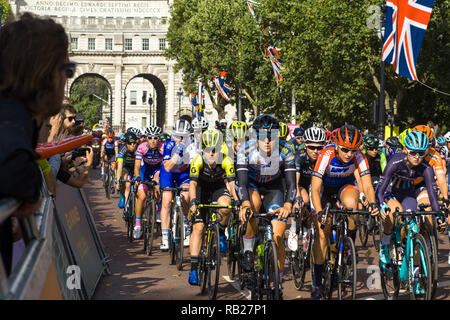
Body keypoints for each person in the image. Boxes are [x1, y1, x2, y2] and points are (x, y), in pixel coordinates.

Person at [0, 13, 71, 275]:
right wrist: (27, 189)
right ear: (46, 75)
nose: (66, 81)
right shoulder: (11, 124)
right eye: (66, 71)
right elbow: (12, 169)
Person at [309, 124, 379, 300]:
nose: (349, 154)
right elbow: (315, 189)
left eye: (353, 150)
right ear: (337, 146)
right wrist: (319, 213)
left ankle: (348, 244)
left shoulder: (359, 157)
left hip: (343, 187)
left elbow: (368, 185)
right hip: (324, 191)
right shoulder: (326, 154)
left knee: (351, 205)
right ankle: (317, 283)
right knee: (322, 233)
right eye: (345, 150)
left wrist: (372, 203)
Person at [376, 131, 441, 293]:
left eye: (421, 153)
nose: (417, 157)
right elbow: (380, 189)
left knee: (415, 229)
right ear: (406, 150)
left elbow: (432, 196)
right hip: (390, 192)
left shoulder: (426, 168)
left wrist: (438, 214)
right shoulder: (395, 161)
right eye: (413, 152)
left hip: (408, 195)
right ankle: (384, 245)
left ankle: (415, 275)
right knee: (393, 212)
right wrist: (381, 205)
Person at [236, 114, 297, 287]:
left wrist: (288, 204)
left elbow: (292, 183)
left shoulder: (286, 149)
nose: (267, 141)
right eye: (263, 137)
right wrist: (244, 203)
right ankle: (248, 249)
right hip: (252, 185)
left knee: (278, 236)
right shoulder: (245, 150)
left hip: (274, 187)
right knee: (251, 207)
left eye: (272, 137)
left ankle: (277, 281)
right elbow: (241, 181)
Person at [187, 130, 240, 285]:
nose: (212, 153)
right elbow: (193, 184)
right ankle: (193, 268)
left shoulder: (226, 159)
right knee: (198, 227)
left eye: (215, 149)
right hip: (201, 189)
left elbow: (231, 184)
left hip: (217, 188)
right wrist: (193, 202)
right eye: (208, 149)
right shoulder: (197, 160)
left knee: (225, 206)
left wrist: (236, 200)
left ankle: (221, 233)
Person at [287, 127, 327, 251]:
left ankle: (307, 231)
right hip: (302, 185)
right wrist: (297, 197)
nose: (315, 151)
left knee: (315, 212)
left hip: (318, 187)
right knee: (303, 201)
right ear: (305, 146)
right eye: (312, 147)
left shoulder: (325, 158)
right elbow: (295, 182)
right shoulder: (300, 156)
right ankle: (293, 229)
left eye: (319, 148)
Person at [159, 119, 192, 250]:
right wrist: (176, 154)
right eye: (177, 136)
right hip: (169, 174)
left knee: (186, 197)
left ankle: (186, 224)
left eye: (183, 137)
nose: (179, 139)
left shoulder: (192, 146)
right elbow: (167, 167)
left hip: (184, 175)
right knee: (166, 201)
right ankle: (165, 236)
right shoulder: (168, 145)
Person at [132, 126, 163, 239]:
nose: (153, 140)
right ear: (146, 138)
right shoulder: (142, 147)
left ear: (159, 139)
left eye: (156, 138)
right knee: (142, 196)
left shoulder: (162, 148)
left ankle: (158, 207)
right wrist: (137, 178)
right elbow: (136, 166)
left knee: (157, 180)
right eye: (150, 138)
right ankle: (138, 225)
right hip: (144, 171)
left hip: (157, 170)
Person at [116, 131, 138, 210]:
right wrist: (118, 181)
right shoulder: (122, 150)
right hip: (126, 167)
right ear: (126, 143)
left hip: (135, 167)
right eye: (129, 143)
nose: (132, 145)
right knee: (125, 181)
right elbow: (119, 167)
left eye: (134, 143)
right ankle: (123, 197)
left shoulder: (138, 149)